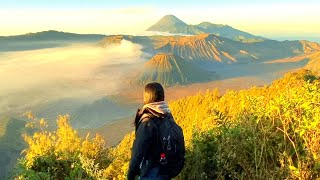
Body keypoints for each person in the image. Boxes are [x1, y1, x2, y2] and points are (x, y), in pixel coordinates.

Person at [127, 82, 176, 180]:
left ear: (147, 97)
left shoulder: (147, 121)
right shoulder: (167, 115)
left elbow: (138, 152)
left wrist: (131, 174)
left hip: (151, 171)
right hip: (165, 169)